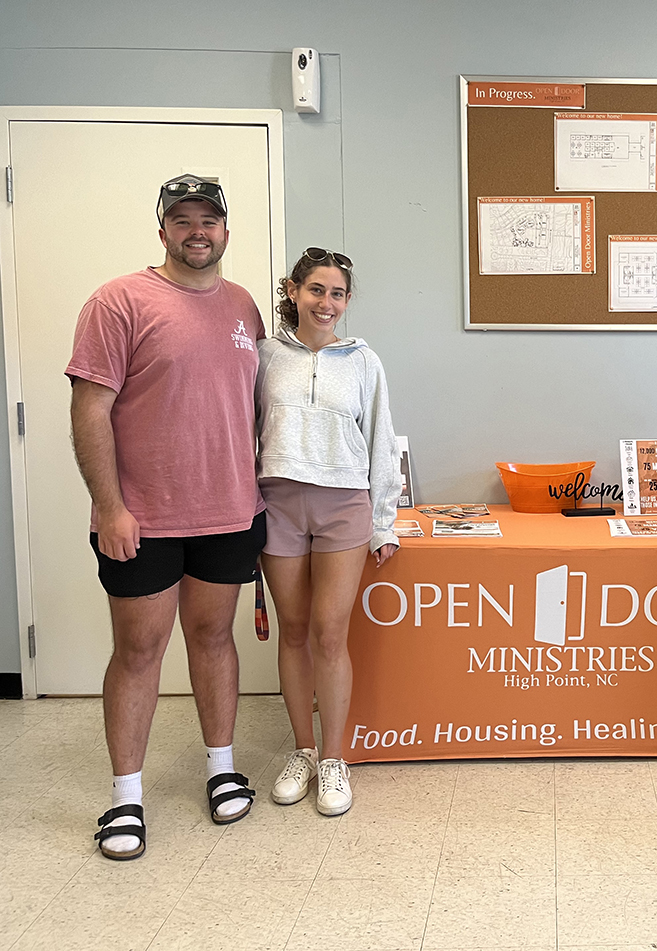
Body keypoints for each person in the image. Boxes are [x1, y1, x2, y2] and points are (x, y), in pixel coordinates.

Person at [67, 175, 266, 861]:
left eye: (207, 219)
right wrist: (111, 505)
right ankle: (125, 796)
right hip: (142, 518)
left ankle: (220, 767)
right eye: (181, 220)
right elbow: (89, 408)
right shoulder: (118, 300)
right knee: (140, 651)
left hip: (231, 511)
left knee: (213, 638)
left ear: (225, 232)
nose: (196, 231)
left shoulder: (244, 306)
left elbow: (251, 405)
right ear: (163, 232)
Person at [256, 248, 403, 816]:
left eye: (337, 293)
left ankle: (335, 759)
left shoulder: (364, 361)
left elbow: (381, 441)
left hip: (344, 504)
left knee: (328, 632)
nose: (327, 303)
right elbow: (246, 432)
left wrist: (384, 523)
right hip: (278, 503)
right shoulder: (266, 356)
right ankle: (304, 750)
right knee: (293, 630)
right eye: (316, 290)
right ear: (293, 291)